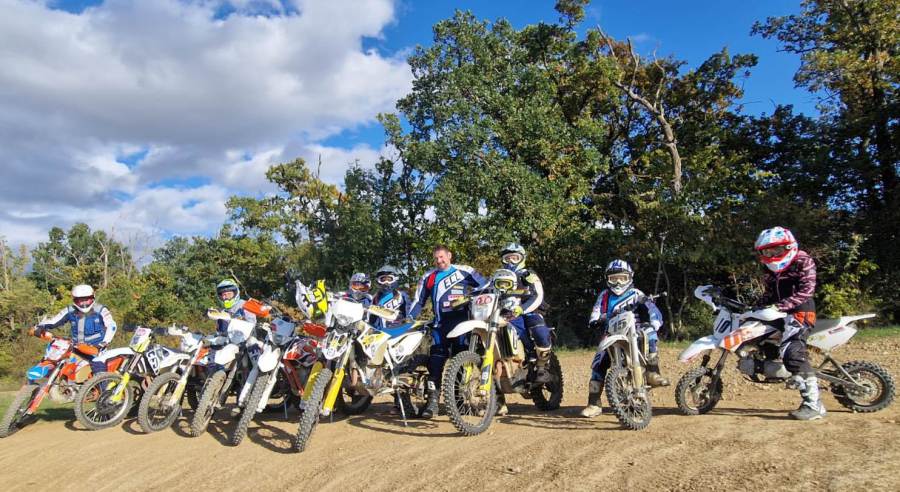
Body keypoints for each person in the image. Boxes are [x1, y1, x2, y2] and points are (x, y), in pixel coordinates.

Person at [580, 260, 668, 418]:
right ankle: (594, 403)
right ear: (608, 279)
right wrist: (596, 319)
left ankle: (653, 372)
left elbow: (652, 308)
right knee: (598, 363)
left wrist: (654, 322)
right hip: (611, 332)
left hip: (635, 329)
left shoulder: (636, 293)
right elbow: (595, 312)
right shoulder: (604, 296)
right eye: (614, 278)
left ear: (630, 277)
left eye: (622, 278)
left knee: (649, 333)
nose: (618, 282)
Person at [409, 245, 486, 419]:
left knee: (461, 363)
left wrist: (472, 297)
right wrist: (409, 318)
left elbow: (485, 285)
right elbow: (418, 300)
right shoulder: (428, 276)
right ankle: (433, 403)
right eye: (436, 258)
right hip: (439, 326)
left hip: (462, 325)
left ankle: (459, 402)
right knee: (435, 364)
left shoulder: (464, 271)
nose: (439, 261)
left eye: (442, 257)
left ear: (449, 255)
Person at [755, 226, 823, 420]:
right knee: (759, 335)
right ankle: (775, 368)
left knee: (791, 351)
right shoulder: (768, 268)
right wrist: (754, 307)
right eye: (767, 251)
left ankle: (814, 405)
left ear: (788, 246)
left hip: (801, 311)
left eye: (775, 250)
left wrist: (781, 306)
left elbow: (807, 290)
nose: (771, 255)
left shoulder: (803, 260)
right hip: (778, 312)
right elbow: (769, 293)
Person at [35, 284, 117, 376]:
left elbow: (112, 326)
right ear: (75, 300)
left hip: (95, 349)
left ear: (92, 298)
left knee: (98, 368)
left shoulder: (101, 310)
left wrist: (103, 343)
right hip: (76, 348)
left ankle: (104, 385)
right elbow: (54, 321)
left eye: (86, 299)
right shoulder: (69, 310)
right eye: (80, 300)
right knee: (54, 359)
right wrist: (41, 326)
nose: (84, 303)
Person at [372, 265, 410, 331]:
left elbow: (409, 314)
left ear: (395, 279)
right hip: (382, 332)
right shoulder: (376, 298)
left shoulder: (401, 295)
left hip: (399, 330)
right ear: (378, 281)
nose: (386, 282)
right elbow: (373, 318)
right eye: (383, 280)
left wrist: (407, 327)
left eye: (389, 279)